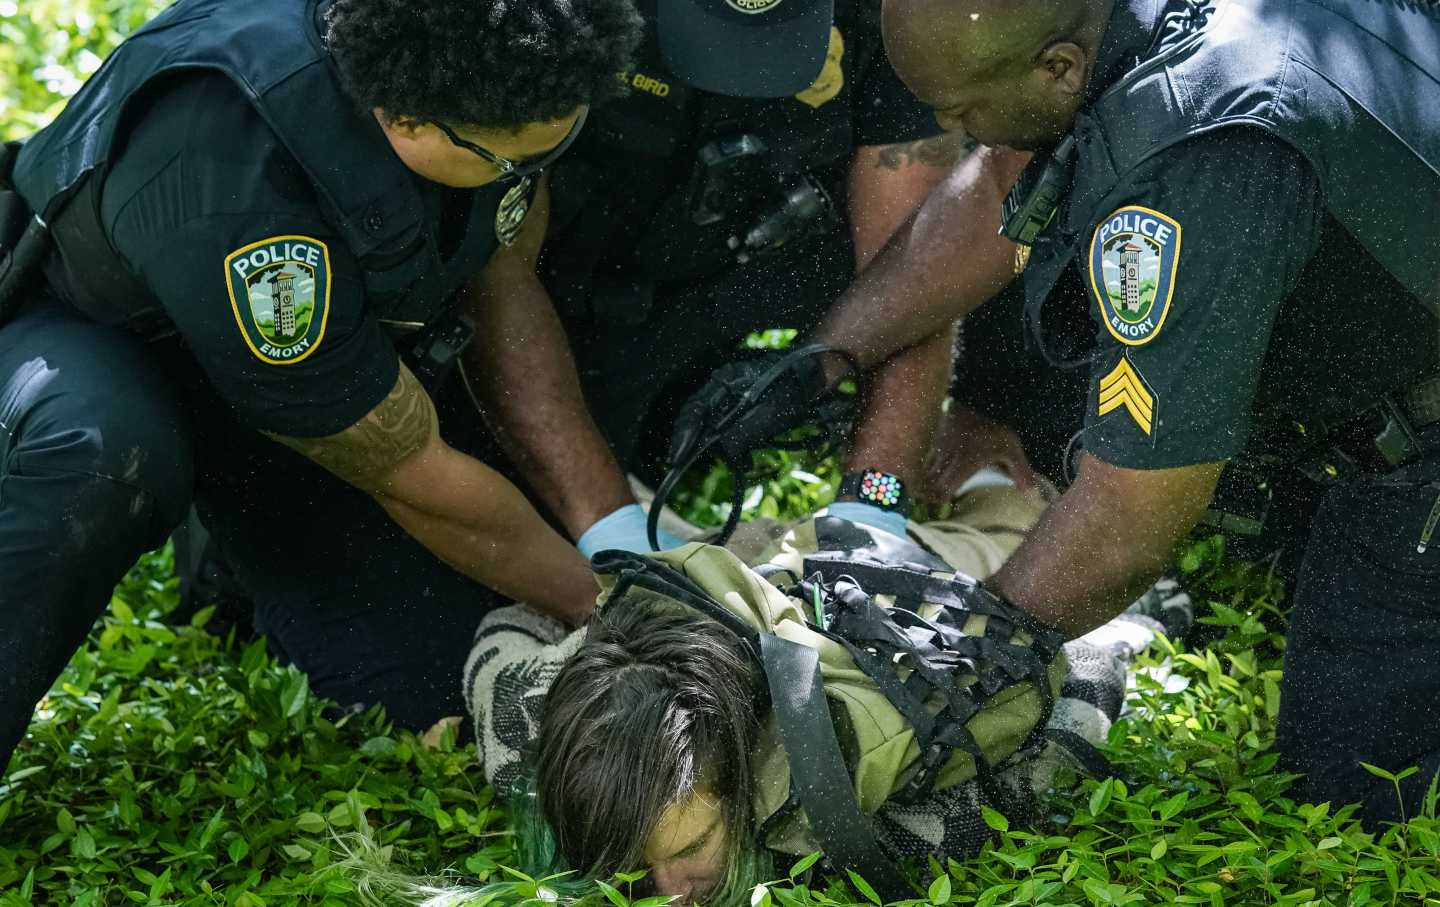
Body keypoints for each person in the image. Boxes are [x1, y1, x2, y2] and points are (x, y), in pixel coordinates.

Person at [0, 0, 646, 768]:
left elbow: (498, 267)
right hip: (106, 333)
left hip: (332, 359)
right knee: (107, 456)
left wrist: (618, 537)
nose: (535, 173)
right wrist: (613, 607)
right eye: (514, 163)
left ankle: (229, 550)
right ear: (408, 121)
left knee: (454, 627)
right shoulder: (239, 179)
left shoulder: (492, 70)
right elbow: (407, 467)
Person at [854, 0, 1440, 821]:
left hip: (1416, 444)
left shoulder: (1205, 159)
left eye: (958, 110)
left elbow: (1128, 520)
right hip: (1389, 331)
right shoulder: (1138, 32)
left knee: (1356, 793)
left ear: (1058, 68)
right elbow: (995, 181)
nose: (947, 126)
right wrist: (830, 350)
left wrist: (958, 657)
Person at [450, 477, 1191, 904]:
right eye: (640, 870)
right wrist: (596, 632)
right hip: (742, 568)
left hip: (908, 591)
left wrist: (1134, 629)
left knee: (1017, 502)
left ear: (741, 780)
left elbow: (1083, 669)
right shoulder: (528, 728)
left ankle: (991, 468)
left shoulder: (864, 813)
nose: (672, 892)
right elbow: (502, 626)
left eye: (692, 849)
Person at [534, 0, 982, 540]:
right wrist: (609, 527)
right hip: (543, 297)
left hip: (722, 298)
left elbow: (914, 268)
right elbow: (496, 272)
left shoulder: (900, 17)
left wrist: (873, 507)